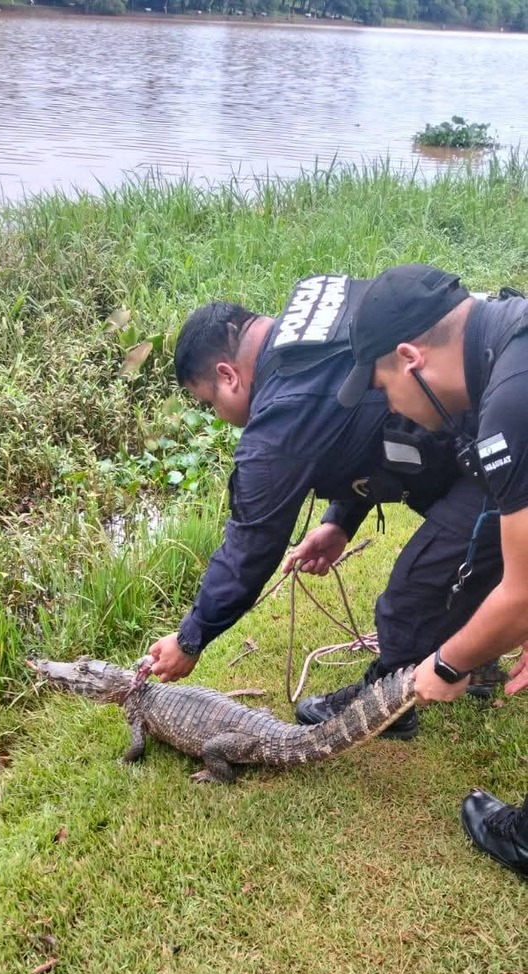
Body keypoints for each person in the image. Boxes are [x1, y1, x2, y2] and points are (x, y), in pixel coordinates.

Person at [148, 278, 505, 746]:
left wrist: (190, 638)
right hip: (477, 417)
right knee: (454, 561)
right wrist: (339, 521)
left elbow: (251, 543)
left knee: (412, 594)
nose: (217, 415)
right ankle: (474, 658)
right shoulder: (313, 307)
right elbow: (366, 425)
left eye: (209, 403)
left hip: (499, 448)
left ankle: (388, 701)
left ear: (228, 374)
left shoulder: (279, 418)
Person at [336, 261, 528, 877]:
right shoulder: (511, 334)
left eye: (383, 386)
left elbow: (520, 594)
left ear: (410, 357)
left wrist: (447, 665)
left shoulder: (509, 405)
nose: (390, 405)